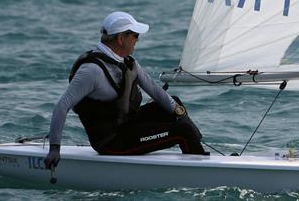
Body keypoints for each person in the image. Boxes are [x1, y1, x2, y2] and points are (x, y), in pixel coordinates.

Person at [45, 12, 206, 170]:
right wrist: (54, 149)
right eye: (135, 35)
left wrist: (183, 117)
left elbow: (156, 91)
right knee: (181, 130)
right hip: (112, 142)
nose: (138, 39)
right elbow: (62, 106)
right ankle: (201, 170)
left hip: (128, 124)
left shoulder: (129, 63)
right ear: (121, 38)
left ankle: (196, 147)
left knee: (175, 105)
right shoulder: (91, 71)